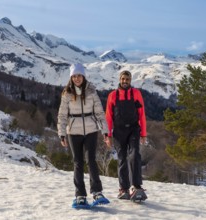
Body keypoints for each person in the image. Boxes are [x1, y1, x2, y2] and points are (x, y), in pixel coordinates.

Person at [57, 63, 111, 206]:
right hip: (74, 132)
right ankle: (80, 195)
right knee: (78, 162)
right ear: (71, 78)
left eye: (79, 75)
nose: (77, 78)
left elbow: (100, 112)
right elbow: (62, 115)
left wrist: (105, 131)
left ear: (83, 76)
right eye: (74, 76)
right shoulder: (67, 93)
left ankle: (97, 193)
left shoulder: (92, 91)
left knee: (91, 160)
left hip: (91, 130)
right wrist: (62, 134)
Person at [105, 70, 148, 201]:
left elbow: (141, 114)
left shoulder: (136, 94)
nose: (125, 81)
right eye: (123, 79)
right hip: (118, 131)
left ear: (130, 80)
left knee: (134, 155)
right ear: (119, 79)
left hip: (134, 129)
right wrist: (108, 135)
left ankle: (136, 186)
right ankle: (123, 189)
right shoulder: (112, 96)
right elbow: (108, 117)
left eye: (127, 79)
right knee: (122, 158)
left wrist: (143, 133)